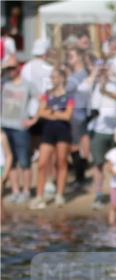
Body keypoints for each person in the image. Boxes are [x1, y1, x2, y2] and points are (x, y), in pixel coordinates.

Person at [30, 67, 73, 209]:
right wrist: (55, 112)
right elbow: (40, 112)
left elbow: (67, 115)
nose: (52, 80)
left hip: (63, 131)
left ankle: (59, 194)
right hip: (47, 131)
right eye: (51, 77)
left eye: (54, 77)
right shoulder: (46, 94)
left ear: (61, 78)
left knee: (61, 162)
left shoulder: (69, 95)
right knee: (42, 163)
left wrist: (51, 111)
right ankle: (39, 195)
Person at [1, 57, 34, 205]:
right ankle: (15, 191)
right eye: (8, 69)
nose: (10, 71)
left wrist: (33, 119)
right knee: (11, 160)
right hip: (5, 126)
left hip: (20, 127)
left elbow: (42, 98)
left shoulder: (27, 85)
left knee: (24, 160)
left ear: (18, 69)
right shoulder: (4, 83)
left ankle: (26, 190)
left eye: (12, 68)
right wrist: (4, 67)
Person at [86, 62, 116, 210]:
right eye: (101, 70)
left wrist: (111, 79)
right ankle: (99, 195)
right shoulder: (92, 86)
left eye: (106, 69)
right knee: (98, 165)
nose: (103, 72)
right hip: (98, 130)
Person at [65, 47, 91, 189]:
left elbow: (67, 89)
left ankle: (79, 178)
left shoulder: (81, 74)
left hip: (77, 113)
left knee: (75, 145)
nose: (69, 57)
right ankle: (79, 176)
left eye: (72, 55)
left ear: (80, 58)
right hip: (75, 112)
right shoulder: (76, 73)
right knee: (77, 144)